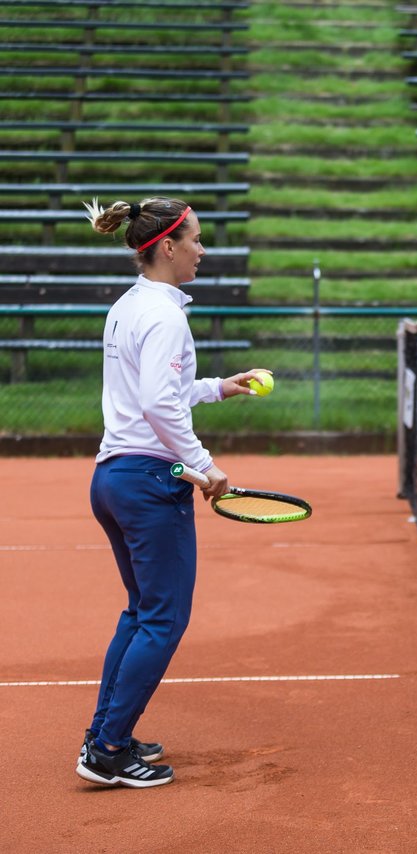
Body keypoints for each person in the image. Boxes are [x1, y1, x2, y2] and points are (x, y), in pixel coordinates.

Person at [76, 197, 270, 787]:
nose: (202, 250)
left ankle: (105, 735)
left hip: (114, 478)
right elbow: (159, 405)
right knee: (163, 619)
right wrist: (205, 466)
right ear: (167, 246)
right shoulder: (165, 316)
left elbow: (156, 390)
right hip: (146, 482)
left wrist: (218, 387)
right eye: (196, 240)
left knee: (141, 613)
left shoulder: (129, 307)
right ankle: (107, 751)